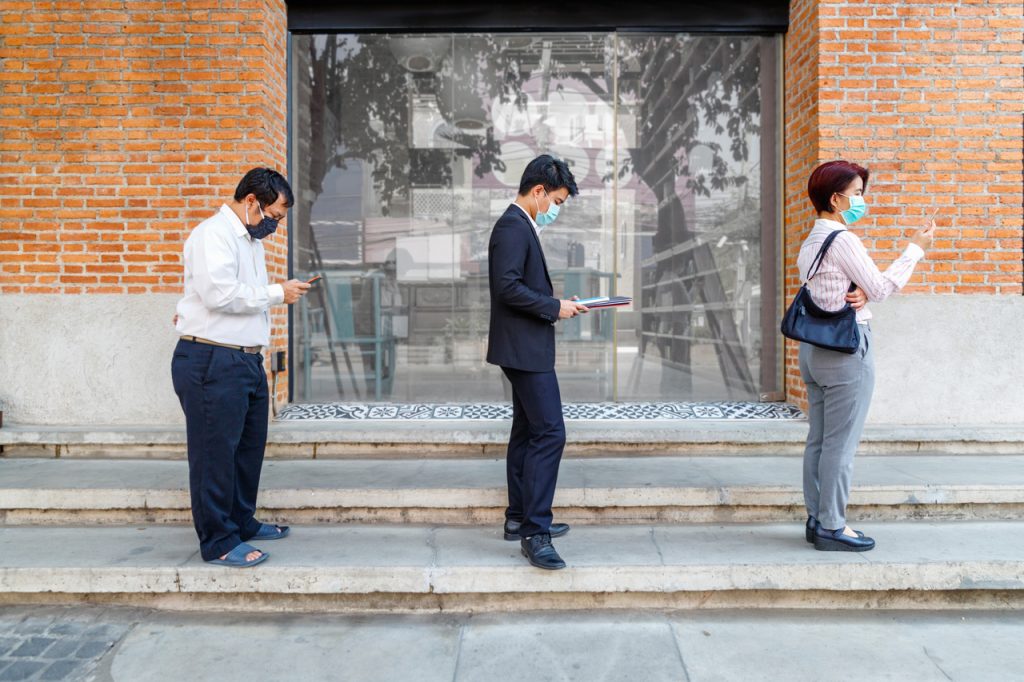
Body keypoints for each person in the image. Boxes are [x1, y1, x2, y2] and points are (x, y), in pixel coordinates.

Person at [171, 168, 311, 567]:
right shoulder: (212, 234)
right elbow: (219, 295)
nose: (274, 225)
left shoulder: (249, 241)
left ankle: (240, 521)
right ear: (251, 201)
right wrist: (276, 293)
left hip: (246, 358)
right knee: (214, 453)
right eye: (274, 216)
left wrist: (273, 294)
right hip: (212, 359)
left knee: (247, 451)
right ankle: (217, 541)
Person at [798, 160, 935, 552]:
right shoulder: (842, 239)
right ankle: (833, 526)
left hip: (813, 351)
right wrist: (915, 249)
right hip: (845, 351)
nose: (861, 200)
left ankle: (817, 519)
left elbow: (831, 290)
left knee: (819, 442)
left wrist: (857, 287)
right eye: (856, 193)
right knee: (840, 444)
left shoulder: (811, 242)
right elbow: (879, 287)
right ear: (835, 198)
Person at [486, 154, 588, 570]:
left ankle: (517, 518)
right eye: (557, 201)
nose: (556, 210)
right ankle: (535, 532)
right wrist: (553, 306)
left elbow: (518, 287)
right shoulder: (513, 226)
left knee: (528, 432)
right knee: (551, 434)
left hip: (524, 347)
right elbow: (507, 288)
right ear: (539, 191)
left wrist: (560, 305)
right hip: (524, 351)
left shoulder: (521, 226)